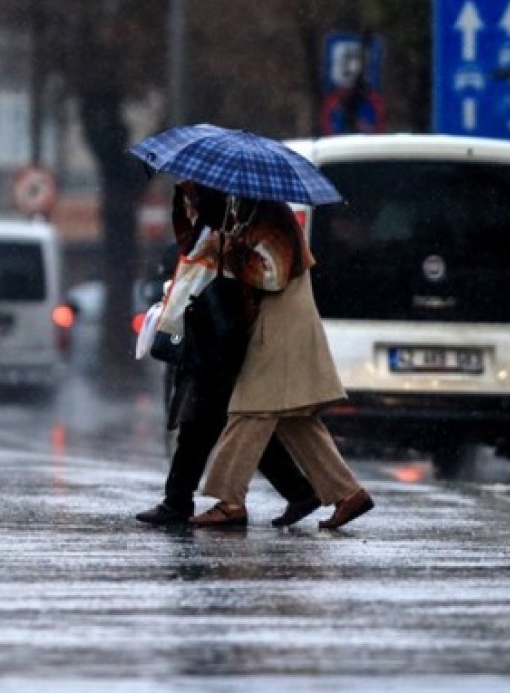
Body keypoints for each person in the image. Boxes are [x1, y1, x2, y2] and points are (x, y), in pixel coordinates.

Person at [136, 182, 322, 528]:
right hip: (201, 328)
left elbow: (267, 274)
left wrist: (232, 250)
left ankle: (179, 501)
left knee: (202, 423)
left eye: (194, 191)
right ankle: (297, 491)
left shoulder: (245, 220)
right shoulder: (211, 222)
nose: (190, 196)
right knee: (218, 422)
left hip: (219, 334)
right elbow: (188, 254)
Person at [190, 195, 373, 530]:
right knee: (294, 416)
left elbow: (272, 276)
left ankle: (229, 501)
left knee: (250, 409)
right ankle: (348, 493)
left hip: (281, 324)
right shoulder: (251, 214)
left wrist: (226, 252)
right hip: (277, 323)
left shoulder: (272, 216)